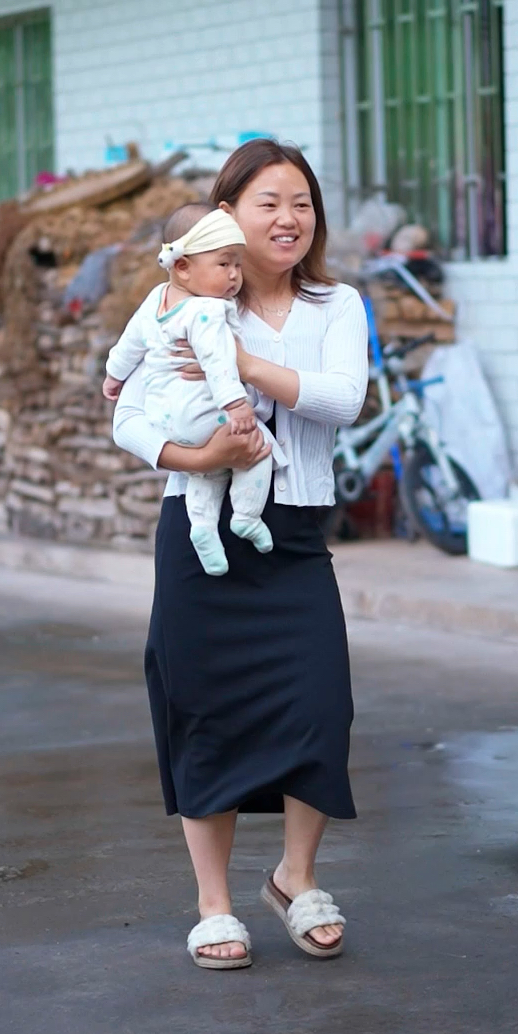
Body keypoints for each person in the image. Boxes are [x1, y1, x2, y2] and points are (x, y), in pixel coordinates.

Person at [112, 138, 369, 970]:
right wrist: (197, 460)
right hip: (198, 538)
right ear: (228, 216)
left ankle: (296, 877)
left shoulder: (337, 305)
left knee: (320, 709)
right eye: (268, 203)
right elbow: (130, 417)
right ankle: (214, 903)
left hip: (291, 538)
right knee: (203, 711)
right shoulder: (173, 304)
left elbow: (343, 400)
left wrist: (242, 362)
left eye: (301, 202)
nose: (288, 218)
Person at [101, 204, 283, 576]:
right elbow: (219, 366)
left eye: (237, 264)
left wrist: (113, 376)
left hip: (166, 421)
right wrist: (238, 407)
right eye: (224, 264)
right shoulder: (208, 312)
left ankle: (202, 528)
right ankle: (246, 516)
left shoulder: (155, 301)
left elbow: (128, 344)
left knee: (206, 471)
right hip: (206, 415)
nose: (234, 276)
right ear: (182, 266)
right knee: (258, 449)